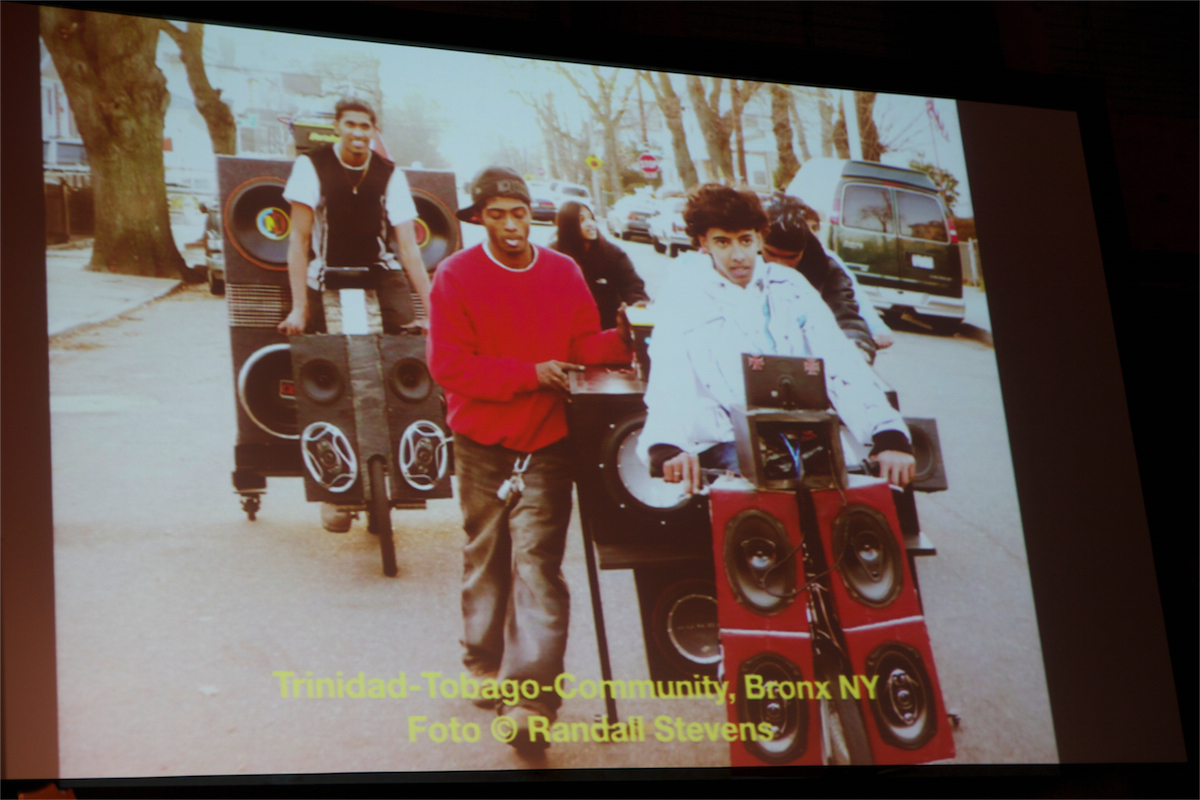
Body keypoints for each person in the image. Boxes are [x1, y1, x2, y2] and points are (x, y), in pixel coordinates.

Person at [426, 167, 632, 755]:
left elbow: (580, 348)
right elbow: (449, 365)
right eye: (497, 215)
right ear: (479, 219)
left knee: (538, 564)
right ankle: (482, 660)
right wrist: (529, 374)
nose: (511, 225)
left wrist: (621, 338)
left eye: (518, 213)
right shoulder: (455, 275)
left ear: (531, 215)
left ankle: (531, 703)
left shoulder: (563, 271)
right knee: (486, 552)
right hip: (480, 440)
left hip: (547, 441)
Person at [637, 184, 915, 493]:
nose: (738, 255)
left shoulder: (791, 286)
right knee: (763, 508)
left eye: (745, 240)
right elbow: (669, 377)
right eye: (722, 242)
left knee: (855, 503)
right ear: (704, 242)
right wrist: (666, 444)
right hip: (727, 441)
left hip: (805, 434)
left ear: (760, 237)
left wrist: (888, 434)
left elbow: (840, 361)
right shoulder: (684, 294)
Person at [276, 98, 433, 533]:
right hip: (326, 274)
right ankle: (333, 489)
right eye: (350, 125)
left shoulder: (389, 174)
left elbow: (408, 248)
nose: (358, 133)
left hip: (378, 274)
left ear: (374, 130)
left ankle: (405, 474)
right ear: (337, 127)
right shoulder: (311, 166)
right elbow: (298, 241)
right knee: (325, 376)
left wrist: (432, 310)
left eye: (366, 126)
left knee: (406, 360)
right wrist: (299, 307)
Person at [760, 192, 881, 362]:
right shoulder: (739, 262)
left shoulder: (826, 271)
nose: (780, 264)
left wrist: (857, 349)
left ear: (804, 249)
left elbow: (846, 319)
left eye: (791, 257)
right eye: (771, 254)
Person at [550, 201, 649, 330]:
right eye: (582, 220)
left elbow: (632, 284)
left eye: (591, 218)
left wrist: (638, 305)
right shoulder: (555, 255)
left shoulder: (611, 253)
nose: (590, 224)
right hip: (569, 327)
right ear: (568, 225)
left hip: (606, 328)